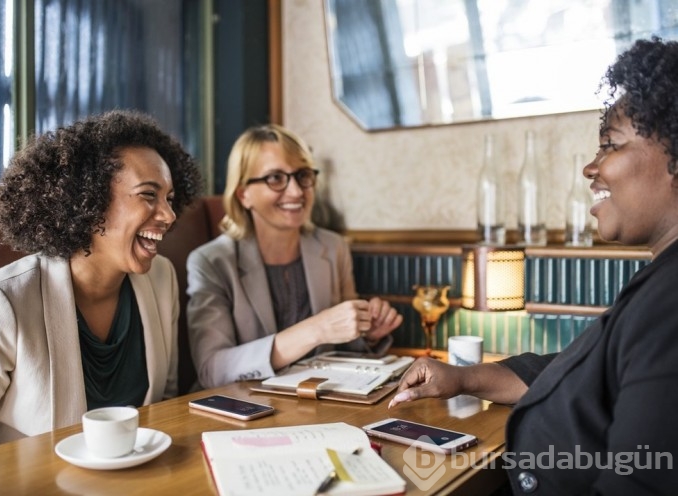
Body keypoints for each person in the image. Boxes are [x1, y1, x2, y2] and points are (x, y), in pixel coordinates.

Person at [390, 37, 678, 494]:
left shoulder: (670, 309)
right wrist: (462, 377)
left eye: (610, 145)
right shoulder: (660, 282)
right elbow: (574, 371)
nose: (591, 167)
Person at [0, 110, 201, 460]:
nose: (168, 215)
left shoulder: (161, 279)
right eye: (149, 195)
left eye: (170, 198)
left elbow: (163, 407)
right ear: (87, 200)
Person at [187, 124, 403, 389]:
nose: (297, 192)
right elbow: (212, 370)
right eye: (275, 178)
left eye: (302, 175)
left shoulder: (333, 248)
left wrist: (368, 334)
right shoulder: (211, 262)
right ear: (244, 194)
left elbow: (344, 349)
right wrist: (316, 329)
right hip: (243, 409)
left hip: (320, 402)